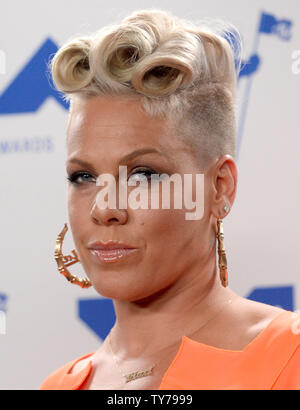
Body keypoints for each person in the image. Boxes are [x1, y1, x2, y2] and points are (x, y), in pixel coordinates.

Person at [40, 8, 300, 390]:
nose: (105, 208)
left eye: (143, 175)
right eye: (84, 176)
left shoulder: (290, 357)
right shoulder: (58, 385)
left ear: (219, 187)